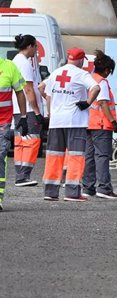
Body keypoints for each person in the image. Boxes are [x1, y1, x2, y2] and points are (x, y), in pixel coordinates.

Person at [40, 47, 100, 201]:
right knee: (75, 156)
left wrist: (52, 109)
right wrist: (87, 103)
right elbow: (96, 87)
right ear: (80, 60)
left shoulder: (56, 73)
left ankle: (50, 192)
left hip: (56, 122)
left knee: (54, 156)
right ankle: (72, 193)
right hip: (75, 121)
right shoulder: (81, 73)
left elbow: (42, 88)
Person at [83, 50, 117, 199]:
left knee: (89, 156)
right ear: (106, 70)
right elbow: (103, 103)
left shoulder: (89, 78)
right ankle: (104, 188)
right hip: (101, 125)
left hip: (88, 123)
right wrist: (113, 122)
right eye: (110, 71)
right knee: (102, 156)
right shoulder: (102, 82)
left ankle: (88, 187)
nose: (109, 74)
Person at [11, 34, 43, 187]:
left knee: (21, 141)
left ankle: (20, 175)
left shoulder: (15, 61)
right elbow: (28, 89)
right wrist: (37, 112)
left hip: (18, 109)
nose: (36, 50)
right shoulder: (24, 63)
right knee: (32, 140)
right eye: (35, 47)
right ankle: (24, 175)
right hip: (28, 109)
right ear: (30, 46)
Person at [0, 56, 27, 211]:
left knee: (0, 155)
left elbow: (20, 92)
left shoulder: (10, 66)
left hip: (2, 122)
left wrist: (23, 117)